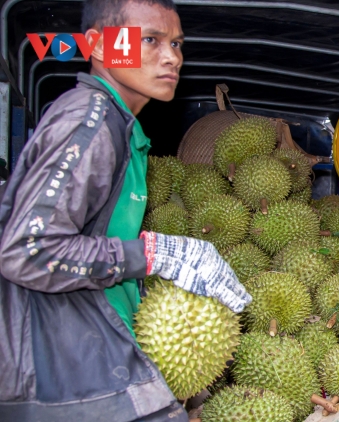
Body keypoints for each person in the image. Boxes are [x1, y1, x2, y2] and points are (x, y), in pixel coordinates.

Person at [0, 0, 251, 420]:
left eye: (176, 43)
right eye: (150, 40)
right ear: (98, 45)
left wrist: (151, 258)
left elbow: (85, 243)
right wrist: (153, 254)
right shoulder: (89, 122)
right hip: (61, 378)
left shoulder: (124, 132)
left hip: (98, 353)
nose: (172, 56)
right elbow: (28, 250)